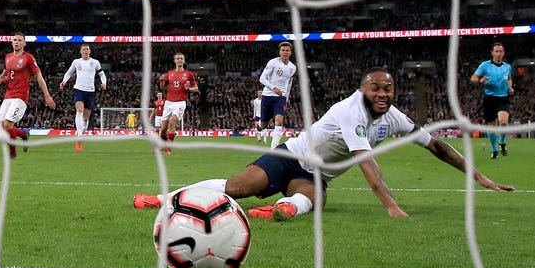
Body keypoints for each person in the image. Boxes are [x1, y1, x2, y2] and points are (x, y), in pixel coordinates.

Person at [134, 67, 514, 220]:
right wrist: (392, 207)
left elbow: (437, 147)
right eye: (375, 88)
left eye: (389, 88)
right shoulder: (351, 112)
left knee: (312, 201)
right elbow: (368, 165)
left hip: (316, 176)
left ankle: (278, 210)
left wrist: (480, 177)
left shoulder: (396, 117)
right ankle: (164, 200)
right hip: (289, 157)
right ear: (362, 89)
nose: (383, 94)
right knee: (237, 189)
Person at [0, 32, 56, 159]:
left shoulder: (28, 58)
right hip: (8, 96)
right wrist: (1, 78)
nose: (17, 42)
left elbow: (39, 76)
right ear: (12, 42)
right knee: (1, 127)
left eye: (20, 40)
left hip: (20, 96)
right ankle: (23, 134)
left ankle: (12, 152)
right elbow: (6, 74)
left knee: (7, 124)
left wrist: (47, 95)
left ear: (24, 43)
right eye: (15, 40)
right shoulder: (7, 57)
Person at [59, 43, 107, 152]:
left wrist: (104, 83)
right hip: (78, 89)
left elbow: (102, 74)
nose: (86, 51)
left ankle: (81, 137)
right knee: (79, 111)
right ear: (81, 51)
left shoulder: (95, 62)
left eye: (87, 49)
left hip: (90, 91)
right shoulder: (76, 62)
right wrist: (64, 81)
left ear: (90, 51)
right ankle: (79, 135)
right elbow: (69, 72)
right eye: (84, 49)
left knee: (86, 118)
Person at [470, 42, 514, 159]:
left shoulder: (507, 67)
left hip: (503, 98)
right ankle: (494, 150)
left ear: (503, 53)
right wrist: (480, 81)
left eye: (501, 51)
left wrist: (510, 87)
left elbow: (509, 79)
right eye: (496, 51)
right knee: (491, 126)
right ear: (492, 53)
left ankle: (502, 141)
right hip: (489, 99)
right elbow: (473, 78)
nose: (498, 53)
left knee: (503, 122)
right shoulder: (485, 65)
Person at [158, 52, 199, 154]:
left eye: (181, 58)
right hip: (168, 102)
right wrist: (161, 82)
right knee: (163, 129)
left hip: (180, 103)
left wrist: (189, 88)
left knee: (173, 121)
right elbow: (164, 87)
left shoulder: (188, 74)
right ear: (175, 61)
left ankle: (169, 147)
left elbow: (196, 88)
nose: (180, 60)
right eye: (178, 58)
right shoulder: (169, 74)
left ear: (184, 61)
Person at [259, 41, 296, 149]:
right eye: (283, 50)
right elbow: (262, 79)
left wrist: (286, 99)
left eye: (287, 50)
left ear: (290, 52)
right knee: (263, 124)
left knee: (279, 120)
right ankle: (259, 128)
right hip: (268, 96)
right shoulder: (273, 63)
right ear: (280, 52)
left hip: (281, 98)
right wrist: (273, 88)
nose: (285, 52)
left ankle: (274, 148)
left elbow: (289, 84)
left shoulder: (292, 68)